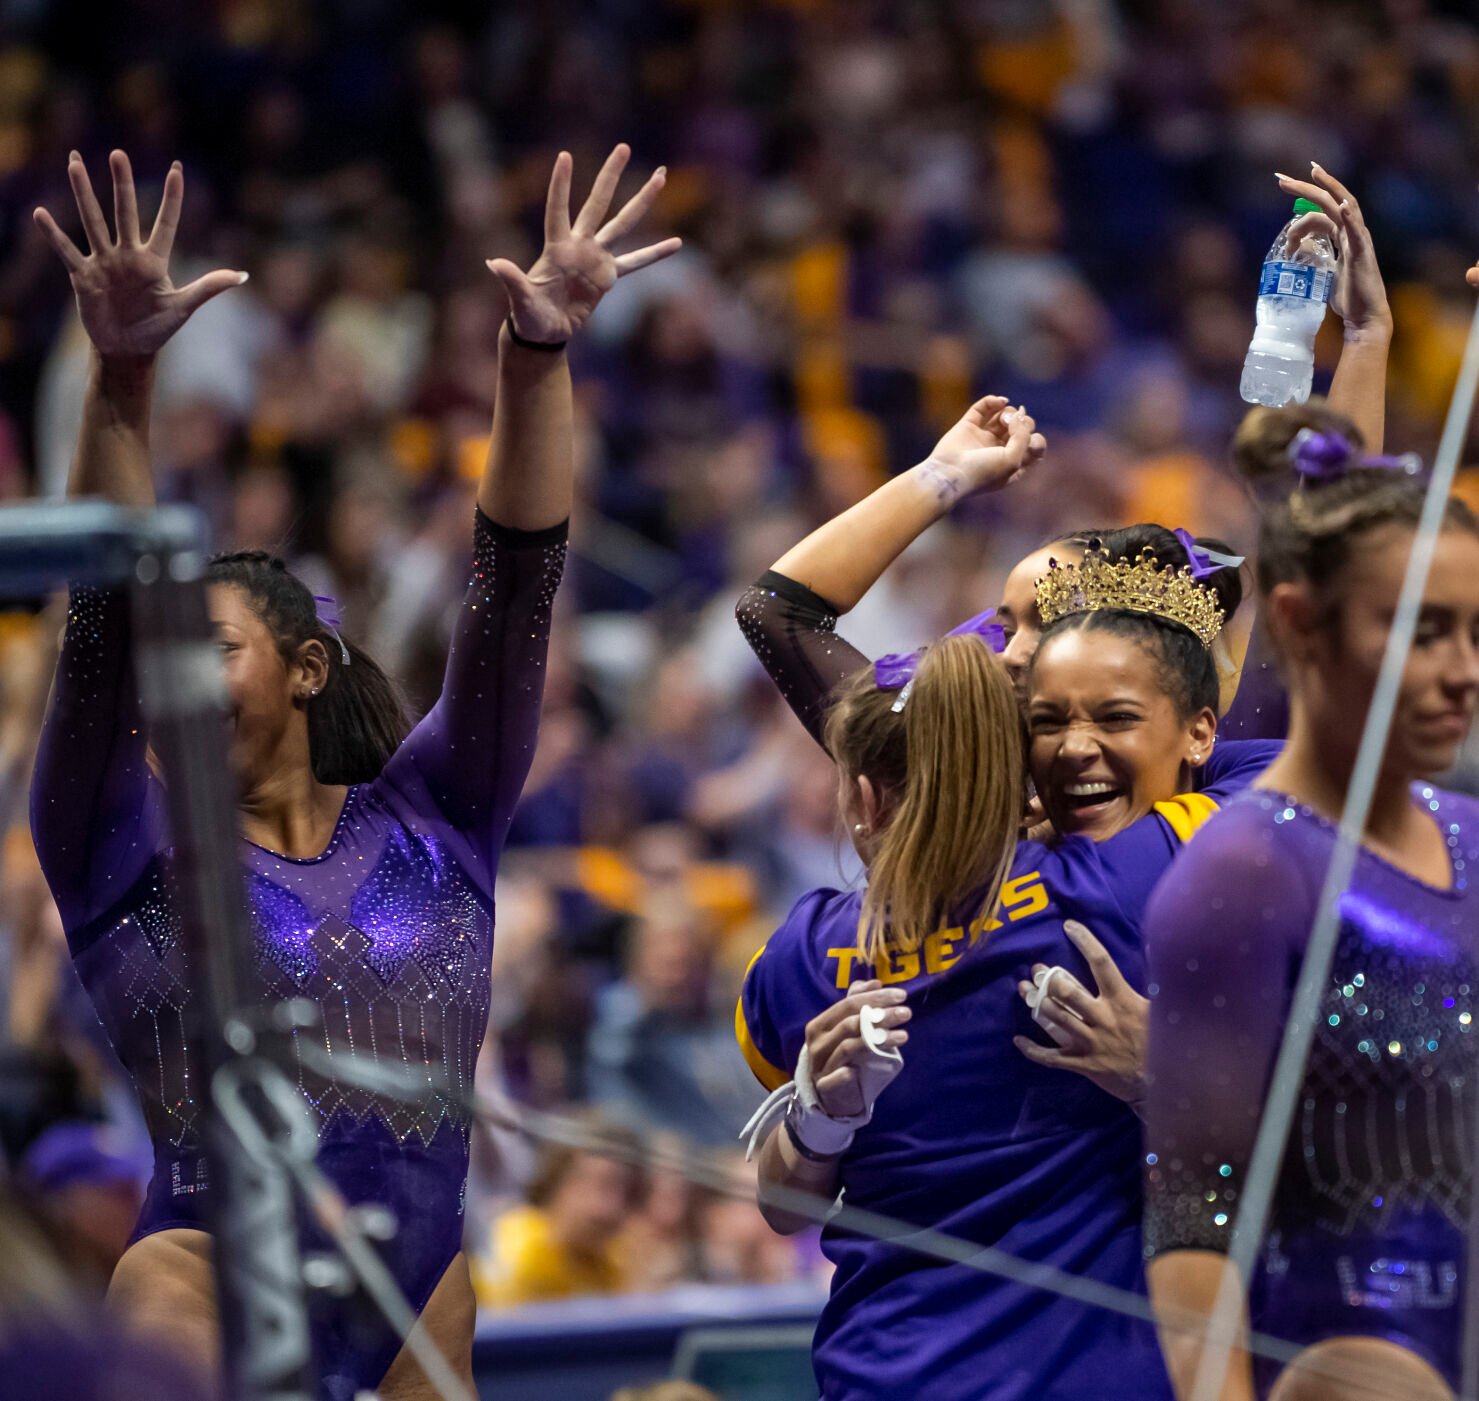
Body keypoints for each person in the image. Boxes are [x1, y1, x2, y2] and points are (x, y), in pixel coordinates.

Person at [28, 144, 678, 1400]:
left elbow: (516, 585)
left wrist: (532, 358)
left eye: (210, 649)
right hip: (201, 1278)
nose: (172, 678)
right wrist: (120, 376)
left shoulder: (439, 813)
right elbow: (99, 625)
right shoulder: (120, 842)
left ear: (309, 669)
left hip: (419, 1294)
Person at [735, 397, 1288, 1399]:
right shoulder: (963, 784)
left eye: (1042, 621)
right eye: (1002, 620)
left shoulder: (1176, 836)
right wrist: (943, 477)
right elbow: (780, 616)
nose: (1011, 646)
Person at [1142, 435, 1479, 1401]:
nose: (1461, 671)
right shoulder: (1246, 870)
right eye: (1420, 631)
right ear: (1299, 624)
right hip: (1353, 1354)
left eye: (1472, 631)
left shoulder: (1467, 833)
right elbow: (1192, 1209)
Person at [474, 1118, 645, 1308]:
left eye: (628, 1193)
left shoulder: (609, 1263)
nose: (613, 1208)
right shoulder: (516, 1253)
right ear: (560, 1178)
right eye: (603, 1185)